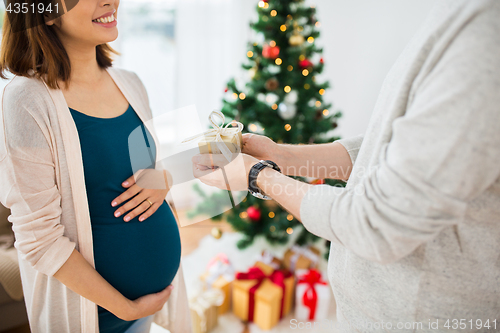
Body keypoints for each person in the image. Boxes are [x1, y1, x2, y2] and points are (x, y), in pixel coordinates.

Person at [193, 0, 500, 331]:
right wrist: (282, 156)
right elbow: (391, 147)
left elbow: (377, 224)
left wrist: (259, 176)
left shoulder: (483, 44)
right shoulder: (460, 14)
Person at [0, 0, 191, 332]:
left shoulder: (130, 82)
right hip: (97, 317)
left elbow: (140, 170)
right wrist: (126, 308)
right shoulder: (25, 100)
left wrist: (165, 177)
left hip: (150, 305)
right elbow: (39, 240)